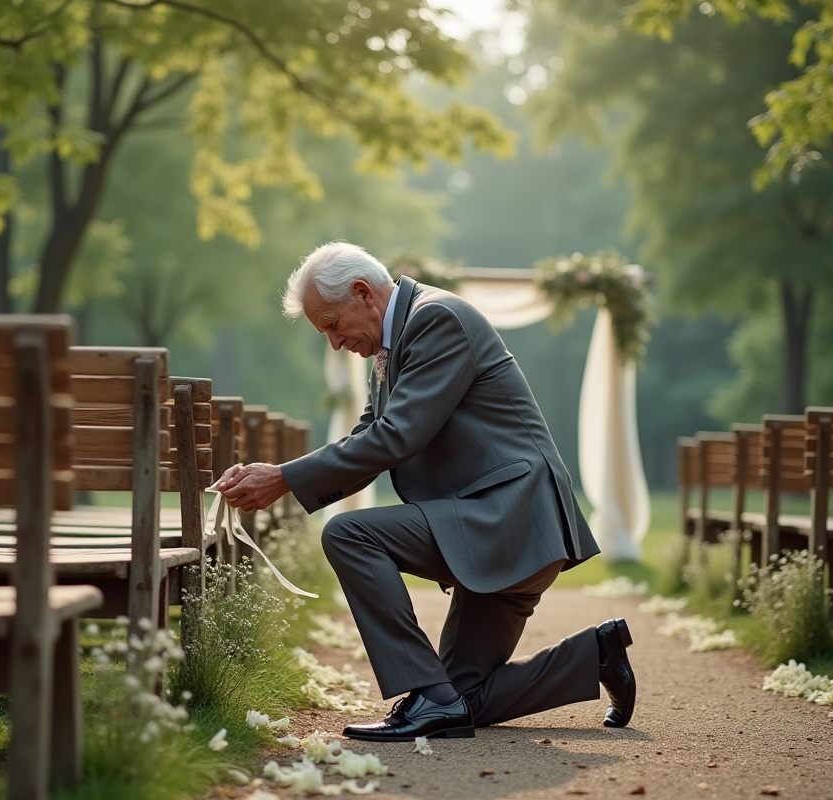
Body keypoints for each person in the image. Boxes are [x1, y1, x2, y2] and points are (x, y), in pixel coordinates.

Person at [217, 241, 636, 742]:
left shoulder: (437, 320)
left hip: (509, 521)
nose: (333, 342)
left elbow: (397, 436)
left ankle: (425, 694)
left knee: (351, 534)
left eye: (331, 324)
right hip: (502, 530)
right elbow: (369, 435)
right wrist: (284, 478)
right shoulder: (395, 341)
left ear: (362, 293)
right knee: (459, 701)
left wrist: (285, 477)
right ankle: (596, 655)